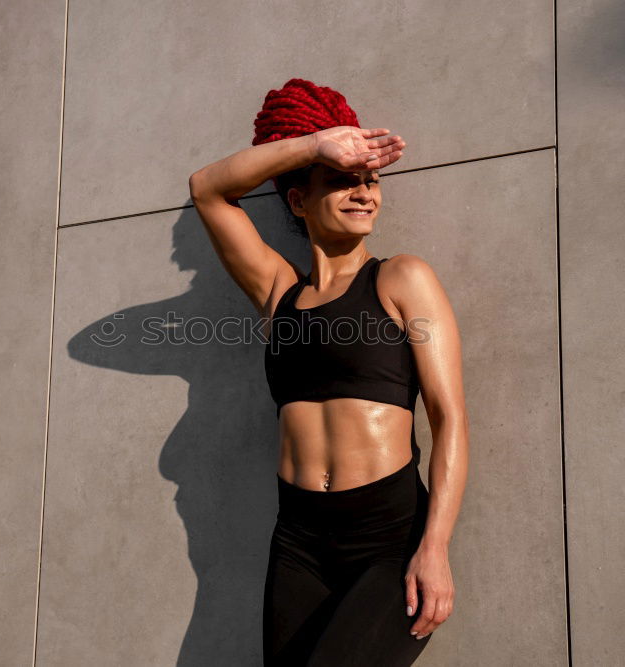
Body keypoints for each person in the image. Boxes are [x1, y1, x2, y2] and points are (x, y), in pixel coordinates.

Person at [188, 78, 469, 666]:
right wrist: (316, 145)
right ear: (296, 200)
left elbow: (448, 420)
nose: (365, 193)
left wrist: (435, 546)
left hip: (387, 538)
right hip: (298, 542)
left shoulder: (400, 278)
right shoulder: (278, 292)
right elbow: (208, 190)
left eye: (371, 181)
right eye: (344, 180)